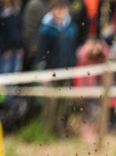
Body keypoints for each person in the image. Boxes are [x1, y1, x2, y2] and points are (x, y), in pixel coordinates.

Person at [37, 0, 79, 137]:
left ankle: (61, 129)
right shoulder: (46, 30)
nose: (60, 12)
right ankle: (48, 129)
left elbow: (74, 49)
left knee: (64, 102)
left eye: (63, 9)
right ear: (52, 10)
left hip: (67, 70)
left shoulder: (71, 28)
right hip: (52, 70)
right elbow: (42, 52)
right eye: (57, 9)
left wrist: (73, 64)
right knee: (51, 102)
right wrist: (44, 70)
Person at [0, 0, 24, 75]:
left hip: (16, 51)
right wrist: (4, 50)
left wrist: (21, 46)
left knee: (14, 77)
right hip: (4, 53)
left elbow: (20, 28)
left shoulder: (16, 7)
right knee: (4, 77)